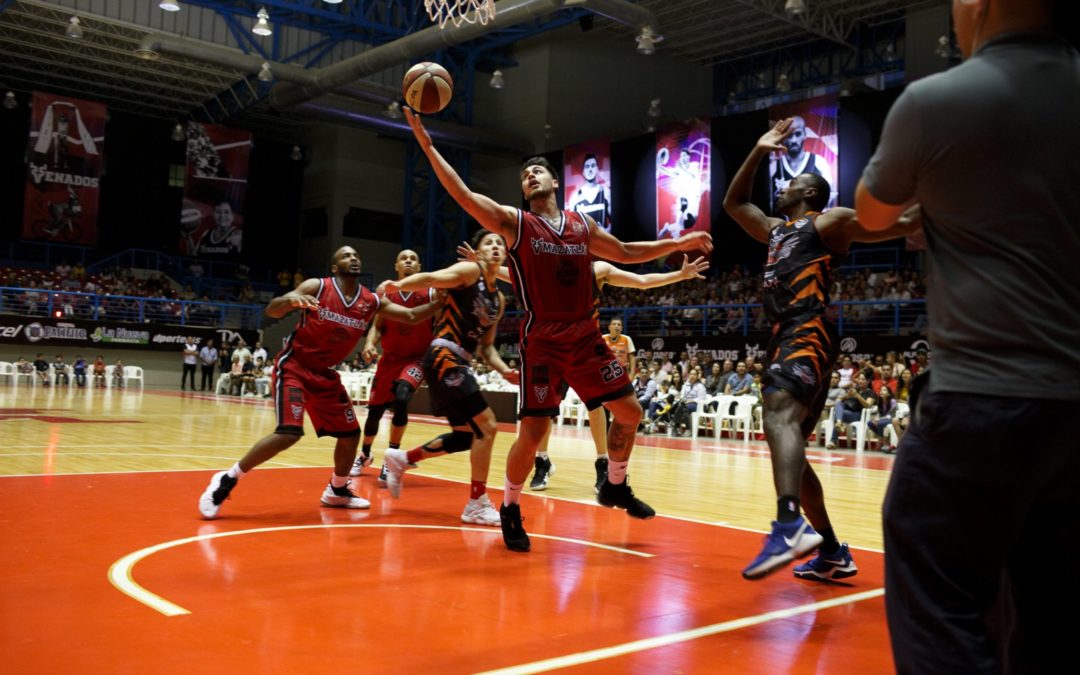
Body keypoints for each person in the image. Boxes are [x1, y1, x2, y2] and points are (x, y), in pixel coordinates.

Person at [853, 1, 1079, 670]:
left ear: (977, 5)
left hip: (982, 397)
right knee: (1054, 614)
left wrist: (940, 201)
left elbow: (871, 212)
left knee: (937, 592)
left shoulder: (934, 101)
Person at [405, 107, 712, 552]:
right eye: (525, 173)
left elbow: (626, 251)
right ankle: (510, 506)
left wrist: (677, 243)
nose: (530, 176)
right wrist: (426, 140)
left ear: (554, 184)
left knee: (630, 412)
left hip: (586, 337)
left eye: (537, 171)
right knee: (531, 434)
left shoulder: (580, 225)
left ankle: (614, 485)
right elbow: (465, 195)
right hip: (544, 341)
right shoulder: (516, 224)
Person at [723, 116, 920, 581]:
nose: (782, 188)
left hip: (806, 328)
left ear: (809, 192)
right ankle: (831, 550)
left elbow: (902, 222)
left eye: (791, 184)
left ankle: (789, 524)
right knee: (786, 436)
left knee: (777, 413)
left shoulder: (828, 222)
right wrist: (758, 148)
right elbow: (734, 203)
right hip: (783, 334)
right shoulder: (774, 230)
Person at [197, 245, 441, 519]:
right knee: (288, 432)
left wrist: (441, 302)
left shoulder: (370, 301)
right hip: (295, 365)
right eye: (346, 255)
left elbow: (410, 316)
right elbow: (272, 311)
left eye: (356, 255)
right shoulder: (318, 286)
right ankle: (227, 478)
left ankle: (337, 490)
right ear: (335, 268)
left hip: (324, 374)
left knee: (350, 435)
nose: (354, 257)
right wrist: (292, 300)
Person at [381, 231, 519, 526]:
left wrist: (504, 370)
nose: (495, 246)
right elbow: (431, 278)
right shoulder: (470, 272)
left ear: (505, 254)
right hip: (444, 356)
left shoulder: (499, 300)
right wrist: (398, 284)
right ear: (479, 252)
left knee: (466, 436)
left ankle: (402, 458)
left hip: (460, 362)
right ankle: (476, 502)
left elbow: (486, 347)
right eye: (488, 243)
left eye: (500, 243)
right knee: (488, 426)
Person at [350, 249, 435, 481]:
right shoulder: (386, 296)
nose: (408, 261)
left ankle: (392, 458)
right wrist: (369, 344)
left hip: (416, 358)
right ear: (396, 265)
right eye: (404, 258)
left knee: (402, 396)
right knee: (375, 413)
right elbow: (377, 326)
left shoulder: (429, 292)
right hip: (389, 359)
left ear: (418, 267)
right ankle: (365, 454)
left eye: (413, 259)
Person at [770, 115, 832, 209]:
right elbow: (768, 203)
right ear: (783, 138)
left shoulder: (819, 163)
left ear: (805, 134)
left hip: (811, 221)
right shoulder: (774, 167)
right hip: (782, 223)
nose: (793, 140)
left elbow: (831, 197)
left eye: (798, 134)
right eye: (789, 135)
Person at [566, 153, 611, 232]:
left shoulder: (606, 193)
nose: (590, 169)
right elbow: (571, 228)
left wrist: (607, 231)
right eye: (587, 166)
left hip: (602, 243)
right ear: (583, 171)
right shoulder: (575, 197)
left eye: (593, 166)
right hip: (584, 243)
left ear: (597, 169)